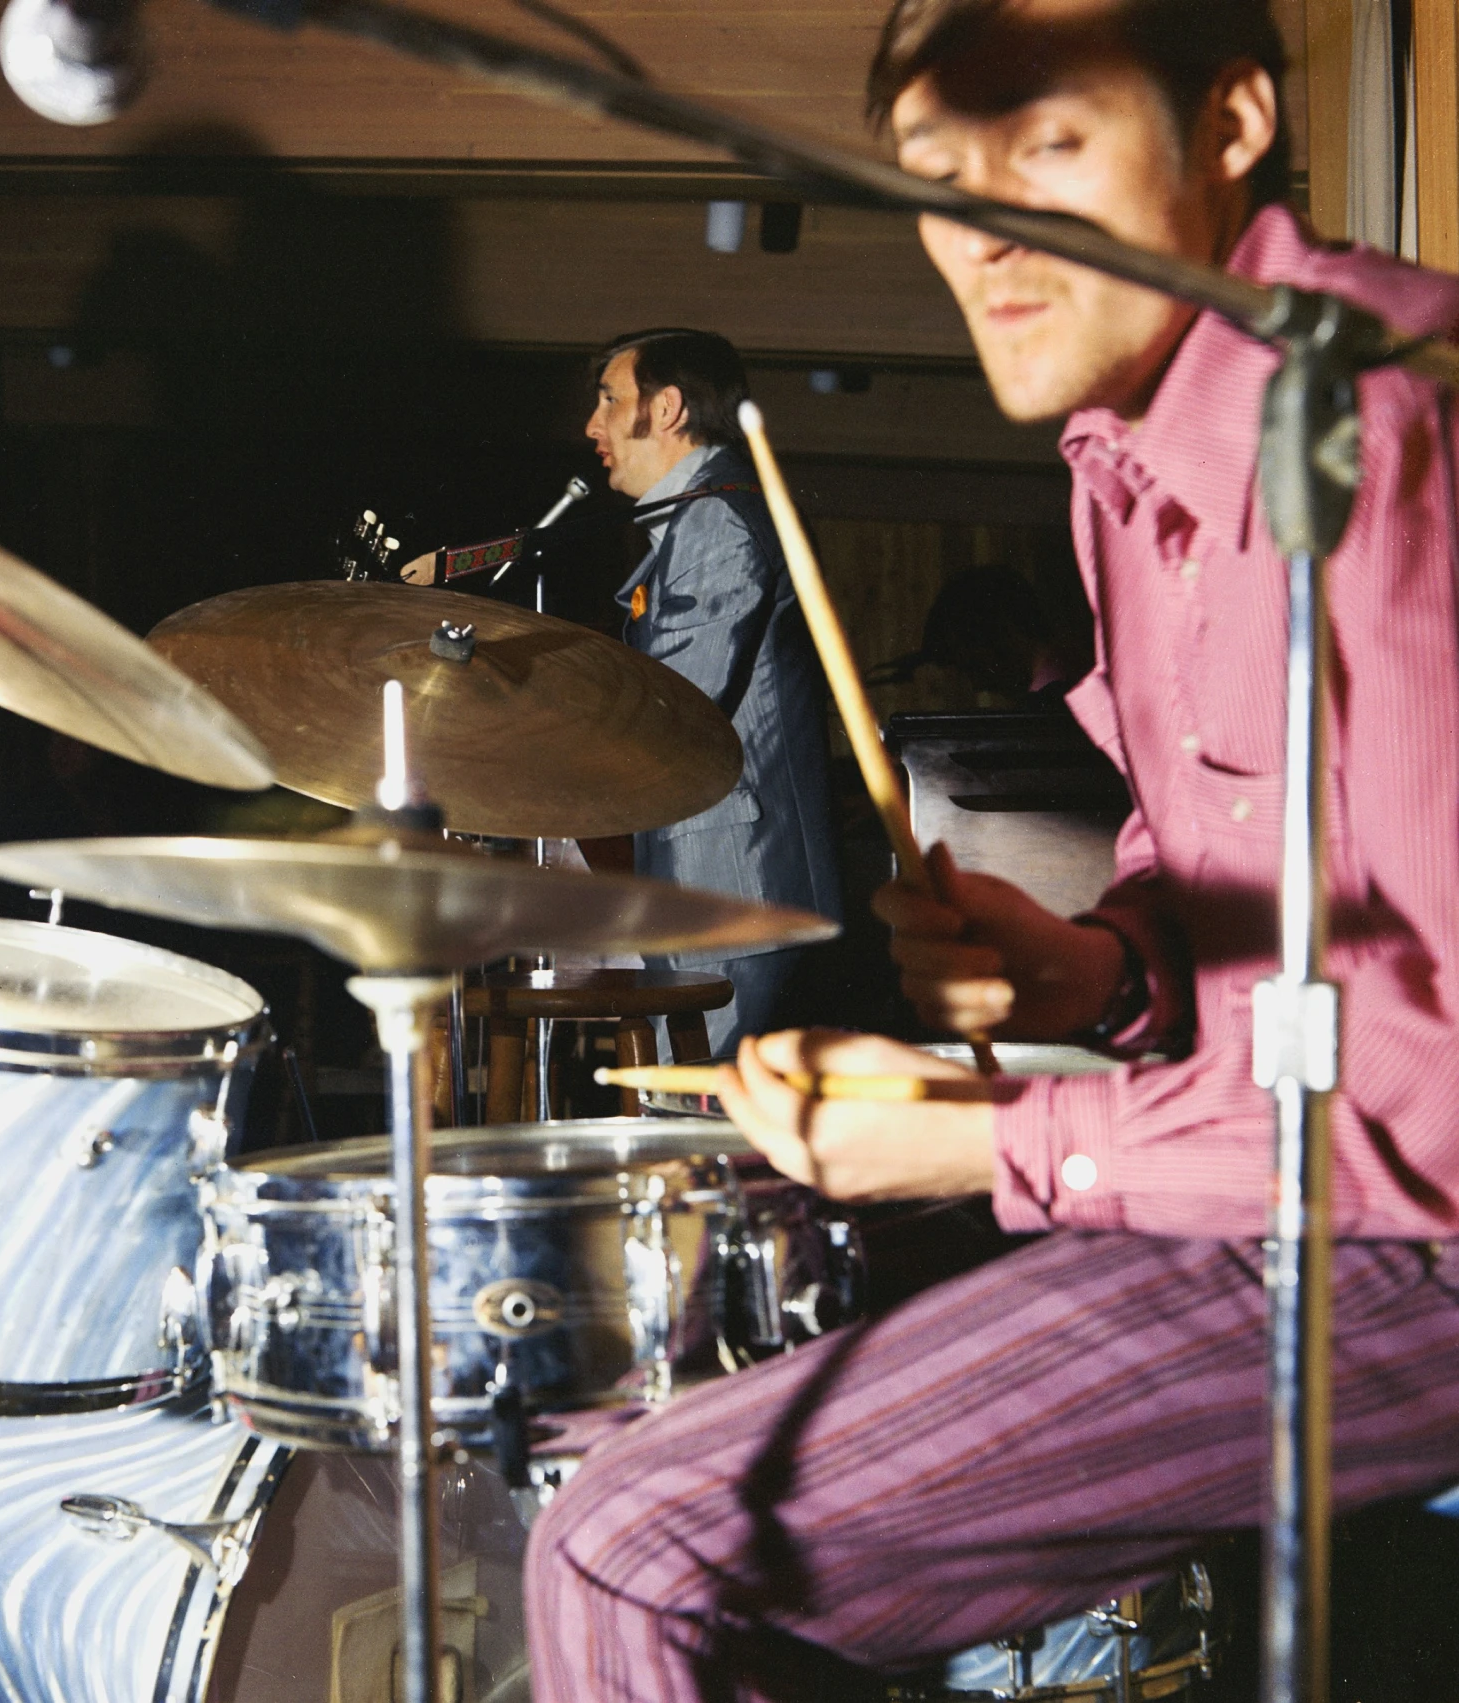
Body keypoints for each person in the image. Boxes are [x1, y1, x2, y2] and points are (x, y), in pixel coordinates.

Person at [525, 2, 1459, 1698]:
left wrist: (994, 1135)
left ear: (1230, 119)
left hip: (1406, 1232)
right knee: (635, 1382)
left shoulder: (1381, 420)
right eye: (939, 174)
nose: (976, 234)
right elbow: (1262, 885)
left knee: (633, 1537)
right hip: (1275, 1178)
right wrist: (1090, 965)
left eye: (1043, 149)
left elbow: (1430, 1099)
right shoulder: (1119, 456)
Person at [586, 329, 841, 1051]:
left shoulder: (716, 520)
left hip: (733, 885)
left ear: (666, 409)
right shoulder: (702, 516)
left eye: (609, 400)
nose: (592, 426)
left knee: (709, 1135)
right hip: (726, 885)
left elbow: (671, 706)